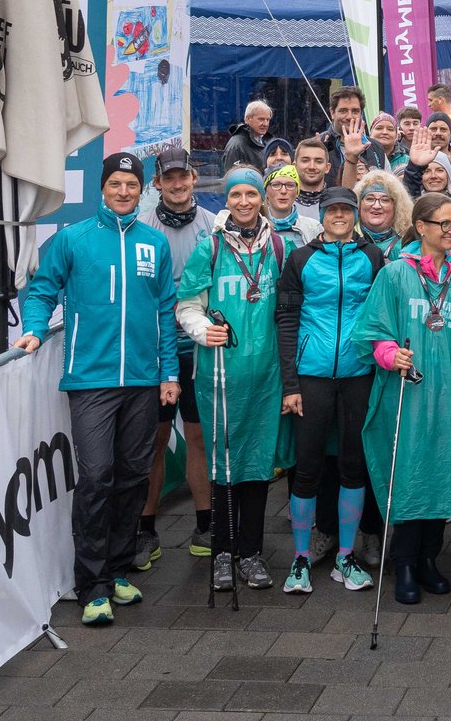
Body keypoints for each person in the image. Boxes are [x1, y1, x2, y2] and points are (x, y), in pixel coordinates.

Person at [15, 153, 179, 626]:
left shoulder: (154, 243)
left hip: (144, 381)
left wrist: (169, 373)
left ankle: (117, 569)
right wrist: (34, 327)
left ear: (141, 189)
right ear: (102, 189)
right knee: (96, 477)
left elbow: (165, 309)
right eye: (116, 184)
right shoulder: (73, 239)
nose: (124, 191)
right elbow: (43, 289)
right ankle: (91, 585)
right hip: (91, 380)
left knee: (132, 476)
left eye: (132, 184)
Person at [352, 193, 451, 605]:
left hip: (449, 389)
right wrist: (390, 354)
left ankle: (430, 559)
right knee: (409, 469)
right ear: (422, 228)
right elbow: (373, 329)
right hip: (407, 392)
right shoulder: (396, 273)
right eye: (444, 224)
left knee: (444, 470)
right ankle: (405, 561)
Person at [177, 168, 294, 594]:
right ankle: (223, 550)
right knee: (223, 463)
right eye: (236, 195)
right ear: (226, 200)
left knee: (258, 465)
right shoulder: (209, 248)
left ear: (262, 197)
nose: (244, 202)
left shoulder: (281, 247)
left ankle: (252, 551)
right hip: (219, 374)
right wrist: (200, 328)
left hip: (265, 375)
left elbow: (290, 311)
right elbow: (187, 304)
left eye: (251, 194)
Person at [275, 187, 384, 595]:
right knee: (307, 468)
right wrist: (290, 383)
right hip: (312, 375)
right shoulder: (300, 258)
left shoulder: (372, 256)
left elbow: (382, 312)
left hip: (358, 373)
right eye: (332, 210)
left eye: (346, 210)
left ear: (355, 215)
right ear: (321, 215)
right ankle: (300, 558)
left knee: (353, 466)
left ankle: (345, 555)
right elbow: (286, 320)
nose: (339, 215)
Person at [136, 145, 214, 567]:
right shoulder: (143, 227)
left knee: (201, 438)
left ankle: (206, 526)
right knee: (156, 441)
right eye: (169, 178)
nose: (178, 183)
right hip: (156, 349)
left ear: (194, 177)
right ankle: (146, 531)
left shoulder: (212, 225)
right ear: (158, 183)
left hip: (198, 349)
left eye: (183, 176)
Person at [223, 99, 273, 175]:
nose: (265, 124)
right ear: (248, 119)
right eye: (261, 119)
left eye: (268, 120)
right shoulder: (237, 146)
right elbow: (232, 178)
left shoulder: (266, 141)